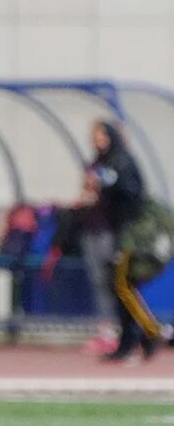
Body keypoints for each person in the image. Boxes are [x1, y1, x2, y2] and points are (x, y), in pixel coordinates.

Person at [77, 120, 154, 361]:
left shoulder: (121, 161)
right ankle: (133, 340)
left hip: (126, 236)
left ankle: (148, 334)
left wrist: (105, 184)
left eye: (101, 134)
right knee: (119, 288)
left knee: (124, 287)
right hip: (111, 232)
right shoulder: (102, 161)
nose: (97, 139)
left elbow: (130, 192)